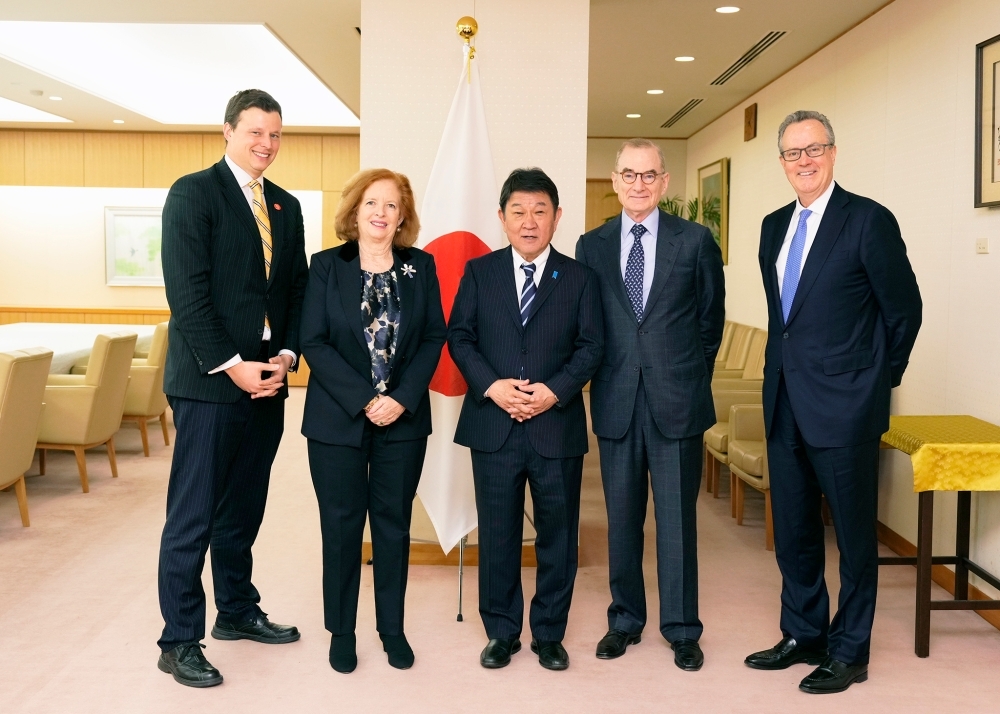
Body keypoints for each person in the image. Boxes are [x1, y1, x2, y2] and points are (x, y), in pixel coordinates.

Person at [745, 111, 921, 694]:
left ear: (834, 153)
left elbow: (904, 311)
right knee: (794, 529)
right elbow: (785, 320)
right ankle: (804, 633)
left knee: (851, 536)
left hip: (846, 407)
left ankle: (850, 650)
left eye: (814, 148)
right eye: (793, 153)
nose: (804, 161)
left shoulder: (868, 220)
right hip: (785, 401)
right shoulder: (773, 226)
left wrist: (873, 382)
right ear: (782, 163)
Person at [157, 89, 309, 688]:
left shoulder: (286, 206)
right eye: (255, 133)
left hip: (268, 383)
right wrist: (232, 364)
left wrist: (286, 356)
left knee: (243, 507)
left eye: (275, 135)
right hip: (209, 385)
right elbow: (188, 296)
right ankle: (178, 639)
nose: (266, 145)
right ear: (227, 131)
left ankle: (237, 611)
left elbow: (294, 289)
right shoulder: (194, 194)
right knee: (192, 514)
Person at [576, 138, 725, 672]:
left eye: (649, 175)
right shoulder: (590, 246)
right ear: (615, 181)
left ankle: (683, 628)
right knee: (621, 520)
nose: (639, 184)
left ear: (664, 183)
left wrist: (683, 377)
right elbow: (588, 325)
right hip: (616, 400)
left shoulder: (696, 241)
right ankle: (624, 621)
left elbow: (711, 325)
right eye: (629, 174)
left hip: (676, 402)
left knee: (676, 521)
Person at [448, 168, 603, 671]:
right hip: (494, 425)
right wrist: (493, 387)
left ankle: (550, 633)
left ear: (557, 218)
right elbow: (460, 338)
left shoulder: (580, 278)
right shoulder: (480, 273)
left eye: (540, 211)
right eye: (518, 211)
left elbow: (591, 346)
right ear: (502, 218)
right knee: (498, 533)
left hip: (554, 425)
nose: (529, 221)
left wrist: (552, 392)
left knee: (559, 535)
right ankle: (500, 631)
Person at [299, 169, 446, 674]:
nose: (380, 213)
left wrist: (401, 399)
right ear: (354, 212)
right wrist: (366, 399)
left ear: (402, 216)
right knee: (341, 528)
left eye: (391, 205)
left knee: (392, 525)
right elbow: (313, 341)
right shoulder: (325, 267)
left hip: (402, 422)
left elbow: (433, 338)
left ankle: (391, 628)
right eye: (371, 204)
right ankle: (342, 631)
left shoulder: (421, 267)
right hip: (337, 420)